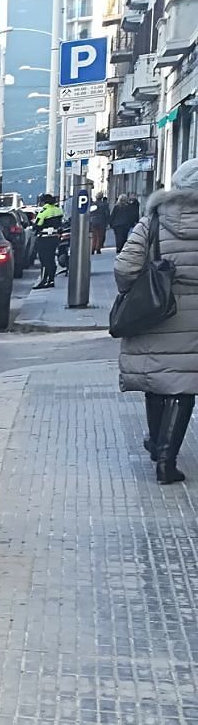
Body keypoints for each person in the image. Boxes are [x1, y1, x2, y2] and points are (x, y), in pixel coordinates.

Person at [114, 159, 198, 485]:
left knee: (156, 380)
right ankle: (167, 459)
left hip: (157, 310)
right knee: (185, 384)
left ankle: (155, 443)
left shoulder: (153, 221)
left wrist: (134, 292)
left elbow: (125, 267)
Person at [32, 194, 65, 289]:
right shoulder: (58, 210)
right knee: (51, 259)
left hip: (44, 238)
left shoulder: (44, 212)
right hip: (55, 238)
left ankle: (43, 281)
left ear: (43, 202)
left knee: (44, 260)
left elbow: (37, 225)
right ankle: (51, 280)